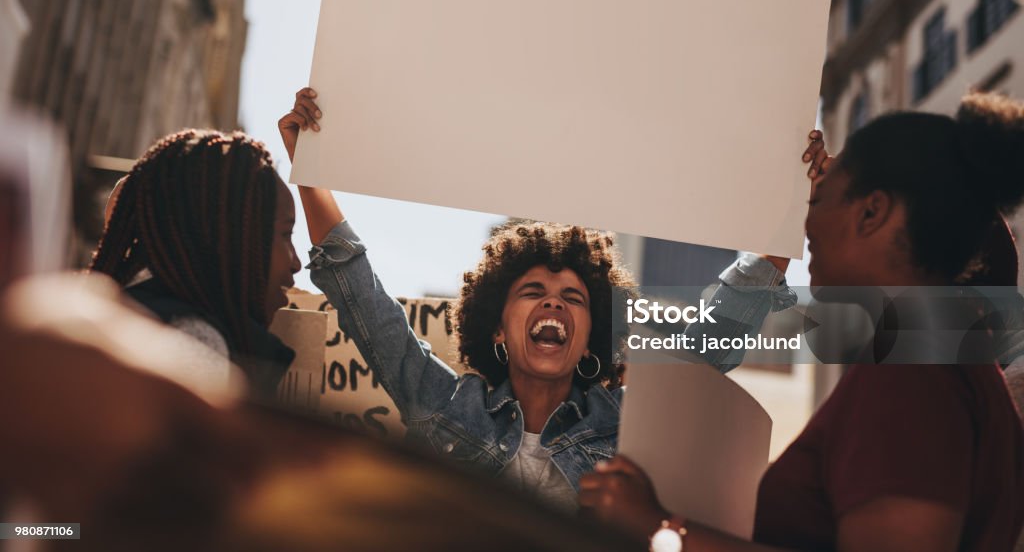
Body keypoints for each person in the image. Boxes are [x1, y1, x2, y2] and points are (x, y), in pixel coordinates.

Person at [278, 87, 799, 511]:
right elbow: (364, 301)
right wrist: (311, 166)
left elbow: (709, 344)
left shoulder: (626, 422)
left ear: (591, 336)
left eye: (573, 298)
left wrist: (794, 205)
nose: (553, 305)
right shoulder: (444, 404)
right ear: (498, 328)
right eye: (533, 292)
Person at [580, 93, 1024, 552]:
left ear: (872, 212)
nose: (806, 222)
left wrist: (661, 529)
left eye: (820, 198)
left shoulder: (912, 374)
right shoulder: (959, 370)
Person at [90, 129, 301, 398]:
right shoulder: (195, 342)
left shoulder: (119, 311)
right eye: (286, 234)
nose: (296, 262)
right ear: (230, 237)